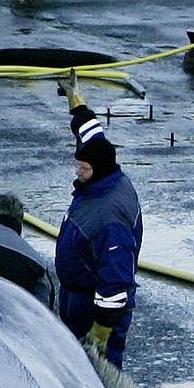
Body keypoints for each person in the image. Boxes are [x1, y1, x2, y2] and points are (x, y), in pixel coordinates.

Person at [53, 90, 142, 366]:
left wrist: (101, 331)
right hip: (76, 295)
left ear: (98, 169)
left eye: (84, 169)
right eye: (77, 165)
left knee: (100, 377)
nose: (78, 172)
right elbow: (91, 135)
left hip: (95, 308)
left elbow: (116, 281)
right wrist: (77, 105)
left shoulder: (109, 218)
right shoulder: (103, 170)